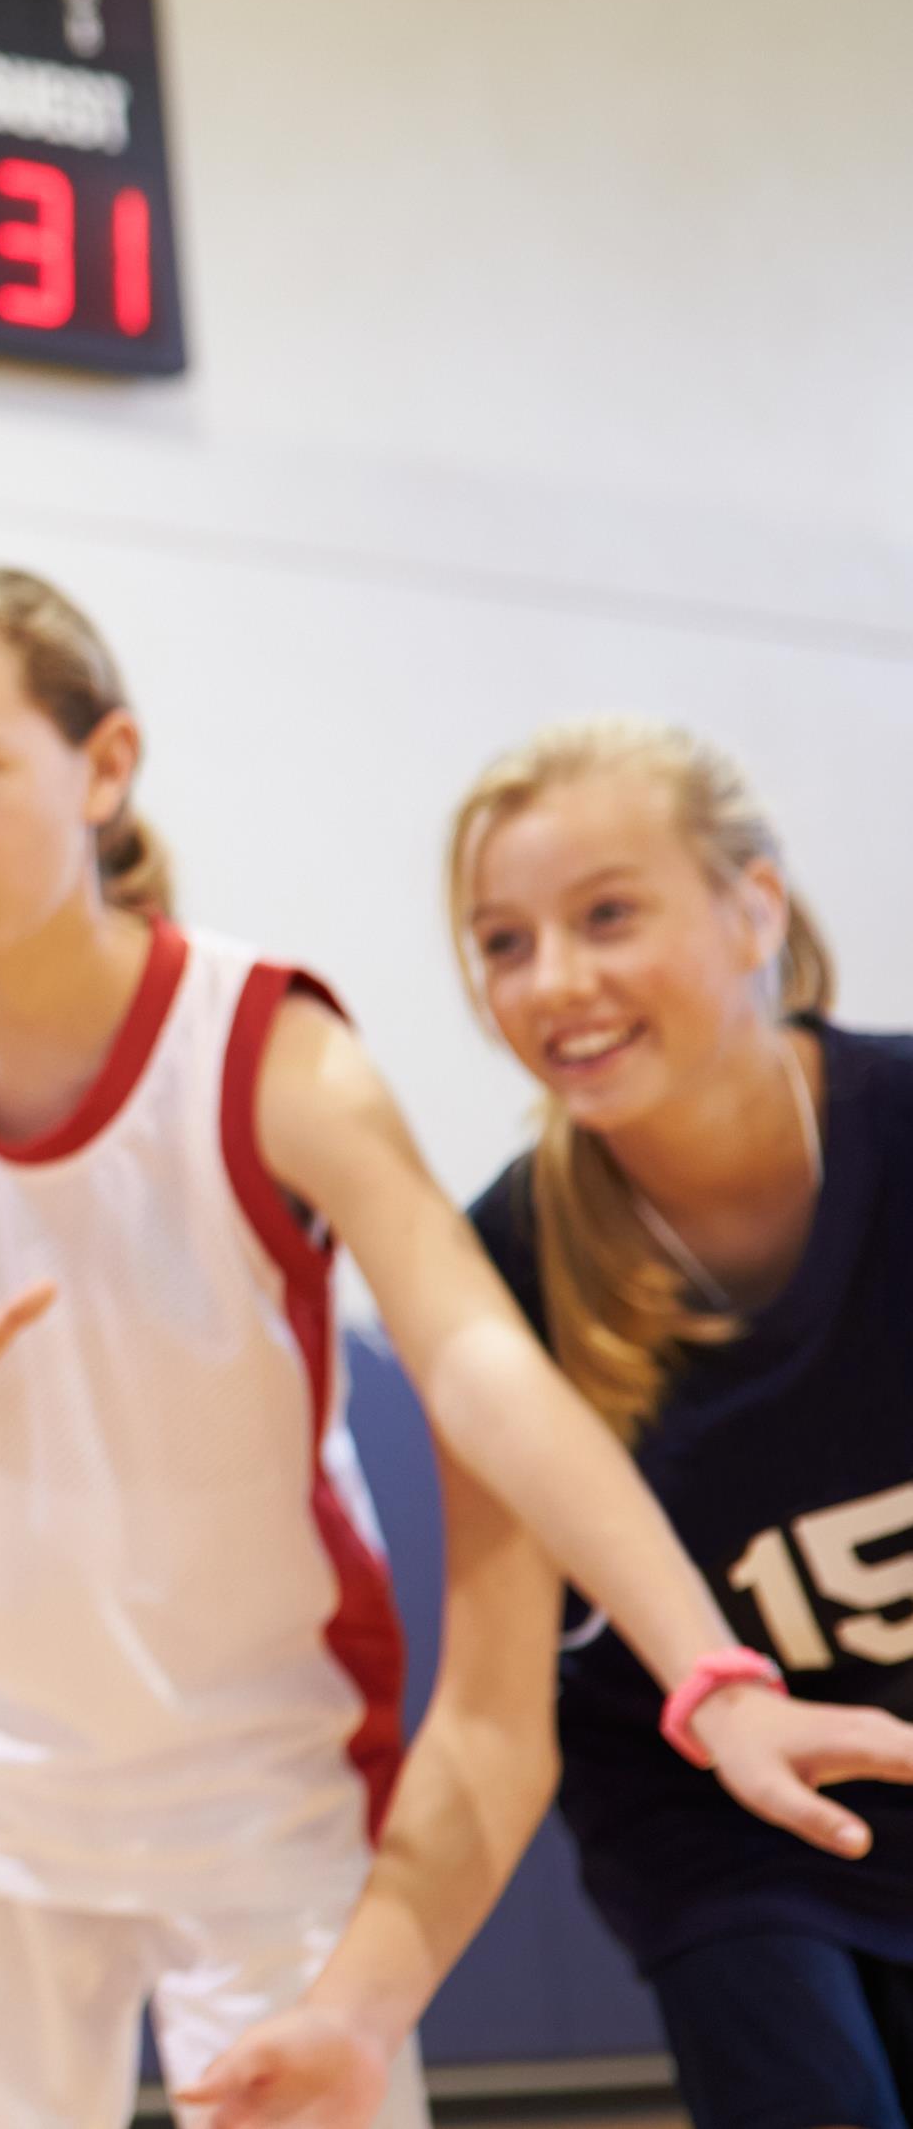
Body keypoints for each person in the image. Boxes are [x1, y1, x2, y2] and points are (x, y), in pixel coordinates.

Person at [0, 567, 894, 2129]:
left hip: (260, 1774)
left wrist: (708, 1673)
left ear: (105, 763)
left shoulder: (268, 1043)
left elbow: (483, 1371)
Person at [182, 719, 913, 2129]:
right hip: (723, 1828)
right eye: (504, 943)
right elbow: (493, 1710)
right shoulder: (507, 1265)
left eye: (608, 915)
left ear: (755, 906)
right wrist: (356, 2012)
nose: (554, 981)